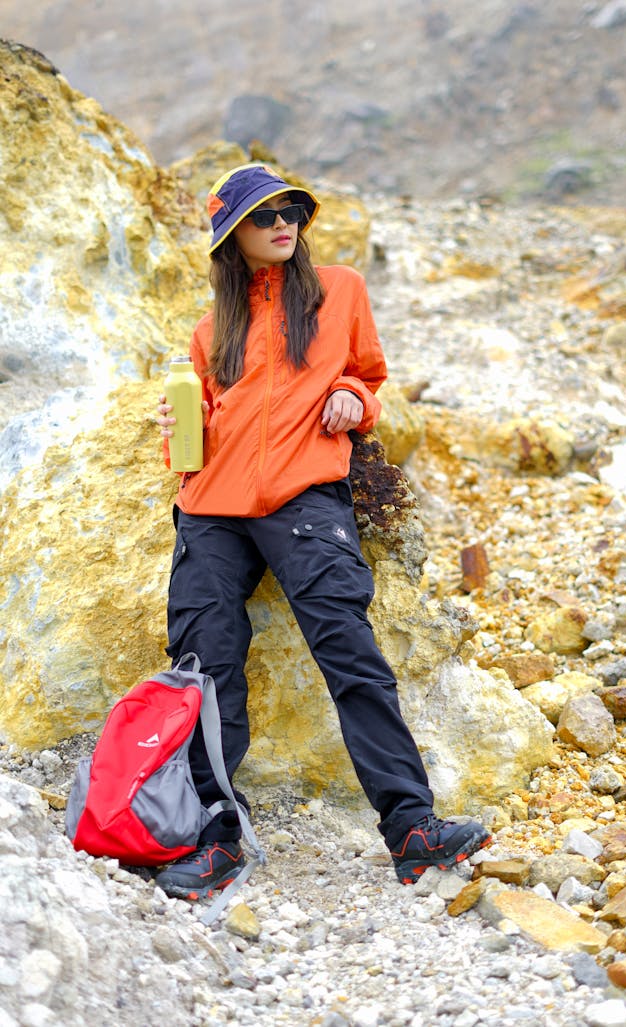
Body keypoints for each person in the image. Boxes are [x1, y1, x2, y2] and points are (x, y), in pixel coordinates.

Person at [154, 163, 490, 899]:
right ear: (230, 238)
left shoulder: (339, 290)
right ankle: (215, 840)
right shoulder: (211, 330)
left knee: (351, 654)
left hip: (305, 496)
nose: (283, 225)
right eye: (262, 216)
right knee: (206, 665)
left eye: (291, 212)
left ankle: (412, 830)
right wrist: (181, 425)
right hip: (212, 505)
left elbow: (369, 376)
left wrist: (348, 396)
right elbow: (207, 421)